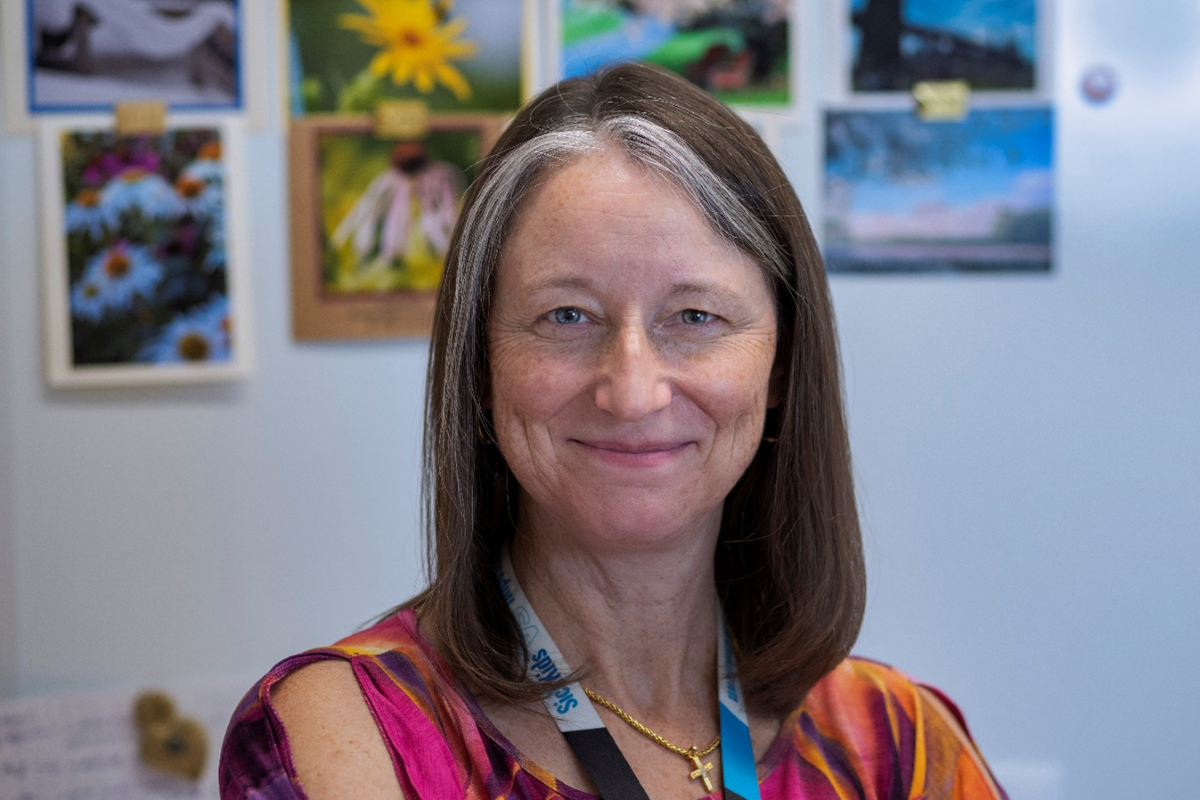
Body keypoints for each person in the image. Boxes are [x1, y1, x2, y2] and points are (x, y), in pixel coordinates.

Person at [219, 62, 1006, 800]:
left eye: (695, 316)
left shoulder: (894, 745)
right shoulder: (354, 736)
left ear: (782, 367)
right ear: (480, 363)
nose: (631, 391)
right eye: (567, 315)